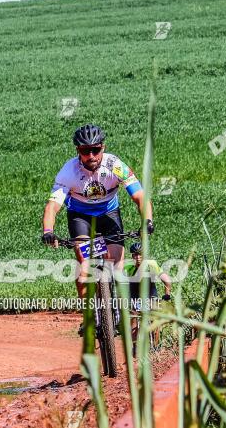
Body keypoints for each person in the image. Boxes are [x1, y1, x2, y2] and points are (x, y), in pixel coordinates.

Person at [40, 124, 153, 301]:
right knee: (85, 268)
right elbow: (52, 207)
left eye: (95, 149)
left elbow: (139, 196)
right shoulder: (68, 172)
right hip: (80, 217)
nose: (91, 155)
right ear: (78, 150)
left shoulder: (115, 165)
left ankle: (123, 316)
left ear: (103, 147)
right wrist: (48, 231)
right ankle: (88, 314)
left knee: (117, 267)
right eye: (86, 151)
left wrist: (147, 221)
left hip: (108, 214)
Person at [123, 241, 172, 349]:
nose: (138, 257)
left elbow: (167, 280)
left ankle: (156, 345)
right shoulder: (128, 266)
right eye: (135, 254)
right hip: (135, 293)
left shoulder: (151, 265)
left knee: (155, 318)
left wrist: (167, 294)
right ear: (132, 256)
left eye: (140, 254)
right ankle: (135, 346)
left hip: (150, 293)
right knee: (134, 316)